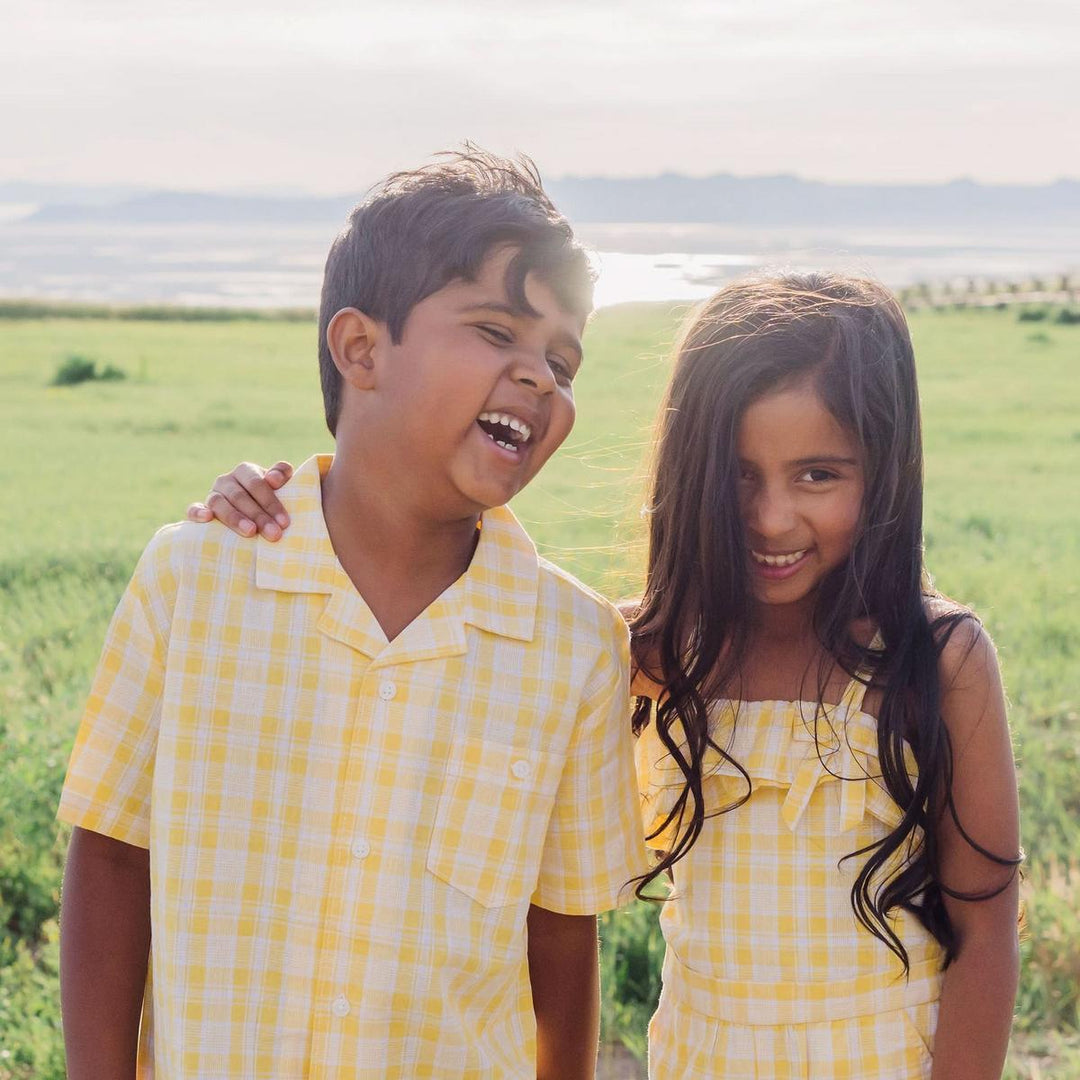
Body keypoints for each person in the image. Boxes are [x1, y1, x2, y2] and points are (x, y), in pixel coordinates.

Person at [203, 272, 1023, 1079]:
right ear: (690, 473)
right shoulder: (642, 651)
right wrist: (295, 503)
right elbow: (451, 592)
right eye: (739, 475)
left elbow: (985, 930)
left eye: (818, 474)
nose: (772, 518)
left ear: (883, 471)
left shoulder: (936, 661)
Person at [58, 148, 648, 1080]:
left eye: (563, 360)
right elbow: (111, 857)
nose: (540, 377)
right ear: (360, 349)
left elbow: (562, 944)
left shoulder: (575, 647)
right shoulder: (196, 577)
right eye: (497, 331)